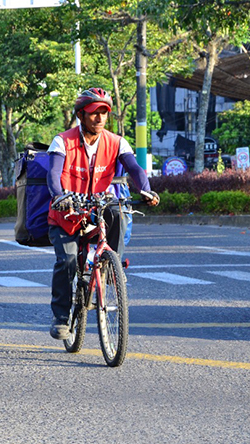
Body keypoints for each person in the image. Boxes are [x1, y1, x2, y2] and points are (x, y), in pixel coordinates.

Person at [46, 88, 159, 340]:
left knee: (118, 212)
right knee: (67, 260)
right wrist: (59, 196)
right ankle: (61, 317)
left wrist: (146, 190)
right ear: (80, 115)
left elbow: (134, 168)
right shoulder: (62, 141)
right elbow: (53, 174)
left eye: (104, 113)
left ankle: (111, 267)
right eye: (93, 113)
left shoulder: (117, 142)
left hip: (98, 207)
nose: (99, 118)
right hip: (67, 212)